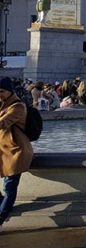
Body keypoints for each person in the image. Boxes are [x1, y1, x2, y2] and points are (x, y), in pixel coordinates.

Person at [0, 77, 32, 230]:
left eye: (1, 92)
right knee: (7, 189)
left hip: (15, 152)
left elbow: (3, 123)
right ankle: (4, 206)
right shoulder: (3, 104)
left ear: (9, 91)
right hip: (3, 151)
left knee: (9, 187)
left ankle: (2, 215)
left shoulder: (17, 106)